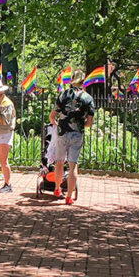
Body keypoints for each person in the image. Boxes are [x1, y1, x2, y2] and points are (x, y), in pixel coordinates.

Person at [49, 70, 95, 205]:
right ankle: (69, 197)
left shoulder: (64, 95)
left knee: (59, 162)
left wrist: (57, 123)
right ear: (83, 81)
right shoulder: (88, 98)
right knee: (73, 165)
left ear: (72, 79)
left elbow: (52, 116)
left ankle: (57, 189)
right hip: (77, 133)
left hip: (63, 132)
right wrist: (80, 125)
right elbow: (90, 122)